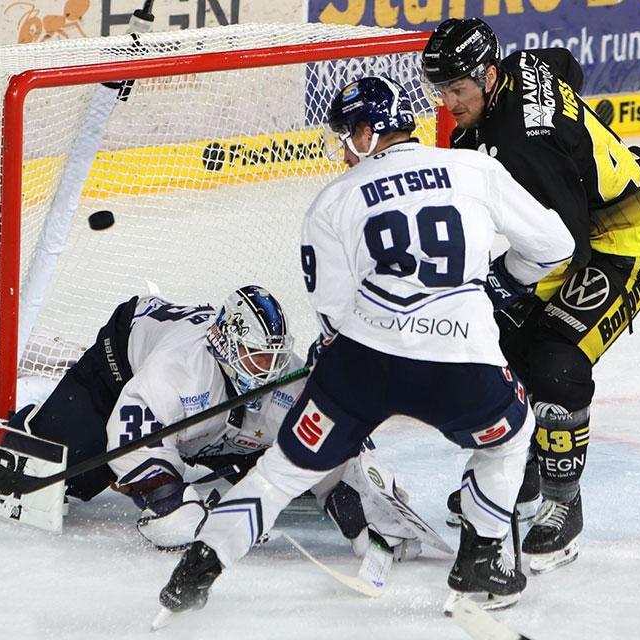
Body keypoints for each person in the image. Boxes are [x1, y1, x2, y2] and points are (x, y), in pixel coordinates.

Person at [154, 76, 574, 621]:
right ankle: (484, 563)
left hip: (364, 363)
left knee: (282, 471)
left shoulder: (332, 202)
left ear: (370, 130)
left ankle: (198, 570)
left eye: (346, 132)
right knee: (510, 440)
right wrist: (500, 284)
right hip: (461, 360)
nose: (342, 146)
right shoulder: (476, 170)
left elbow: (331, 313)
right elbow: (554, 247)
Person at [422, 18, 640, 574]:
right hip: (582, 225)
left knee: (556, 358)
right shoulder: (515, 71)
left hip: (630, 238)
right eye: (440, 90)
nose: (448, 102)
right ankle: (521, 475)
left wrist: (498, 285)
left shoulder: (522, 144)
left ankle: (565, 507)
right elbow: (564, 62)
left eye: (457, 90)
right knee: (498, 337)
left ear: (488, 77)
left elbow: (565, 249)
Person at [11, 286, 430, 555]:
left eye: (275, 354)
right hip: (122, 358)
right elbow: (131, 432)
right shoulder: (178, 370)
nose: (270, 367)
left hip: (211, 423)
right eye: (257, 354)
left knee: (288, 448)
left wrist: (361, 485)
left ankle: (231, 466)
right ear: (227, 344)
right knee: (74, 475)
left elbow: (334, 423)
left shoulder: (282, 374)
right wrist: (166, 496)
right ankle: (33, 419)